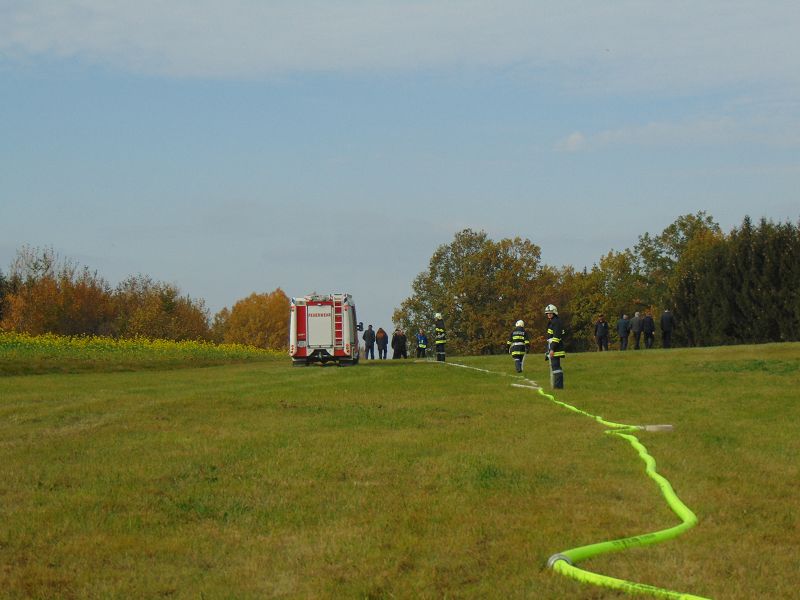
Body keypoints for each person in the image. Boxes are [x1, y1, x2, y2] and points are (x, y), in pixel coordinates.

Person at [544, 304, 565, 389]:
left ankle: (558, 387)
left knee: (556, 368)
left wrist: (552, 349)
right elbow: (549, 338)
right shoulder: (552, 322)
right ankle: (557, 386)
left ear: (554, 313)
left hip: (556, 348)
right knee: (555, 367)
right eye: (547, 313)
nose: (548, 314)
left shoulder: (556, 322)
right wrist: (547, 351)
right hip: (553, 347)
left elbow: (556, 337)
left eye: (550, 313)